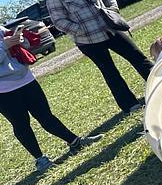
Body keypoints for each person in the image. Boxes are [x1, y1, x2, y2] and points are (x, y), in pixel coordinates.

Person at [46, 0, 153, 114]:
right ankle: (130, 105)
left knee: (138, 57)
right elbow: (59, 21)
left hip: (111, 30)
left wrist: (112, 12)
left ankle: (161, 86)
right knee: (110, 72)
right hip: (88, 41)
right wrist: (81, 30)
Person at [1, 25, 100, 171]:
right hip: (3, 90)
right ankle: (40, 160)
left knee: (46, 115)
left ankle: (75, 142)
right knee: (21, 124)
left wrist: (20, 40)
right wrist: (4, 45)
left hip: (26, 79)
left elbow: (20, 48)